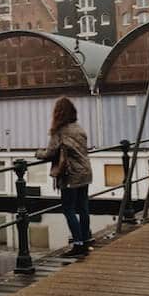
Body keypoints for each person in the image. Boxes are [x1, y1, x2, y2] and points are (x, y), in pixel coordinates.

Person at [36, 96, 93, 258]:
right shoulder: (79, 128)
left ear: (58, 113)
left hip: (70, 175)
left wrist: (37, 153)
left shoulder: (60, 131)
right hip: (85, 172)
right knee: (83, 208)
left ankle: (78, 244)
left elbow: (50, 153)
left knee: (68, 209)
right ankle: (86, 239)